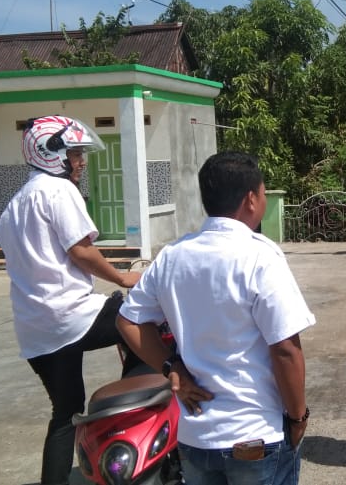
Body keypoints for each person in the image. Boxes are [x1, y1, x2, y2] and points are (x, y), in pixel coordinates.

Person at [117, 151, 316, 485]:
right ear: (251, 199)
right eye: (264, 193)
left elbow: (129, 321)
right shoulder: (260, 256)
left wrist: (172, 368)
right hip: (255, 435)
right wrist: (298, 417)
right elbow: (286, 349)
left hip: (196, 436)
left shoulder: (172, 256)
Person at [0, 115, 144, 485]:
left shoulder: (13, 206)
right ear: (50, 153)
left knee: (65, 413)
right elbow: (82, 252)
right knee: (144, 319)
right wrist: (123, 276)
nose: (81, 161)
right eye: (75, 153)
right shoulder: (57, 191)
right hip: (71, 315)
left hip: (34, 330)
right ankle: (138, 413)